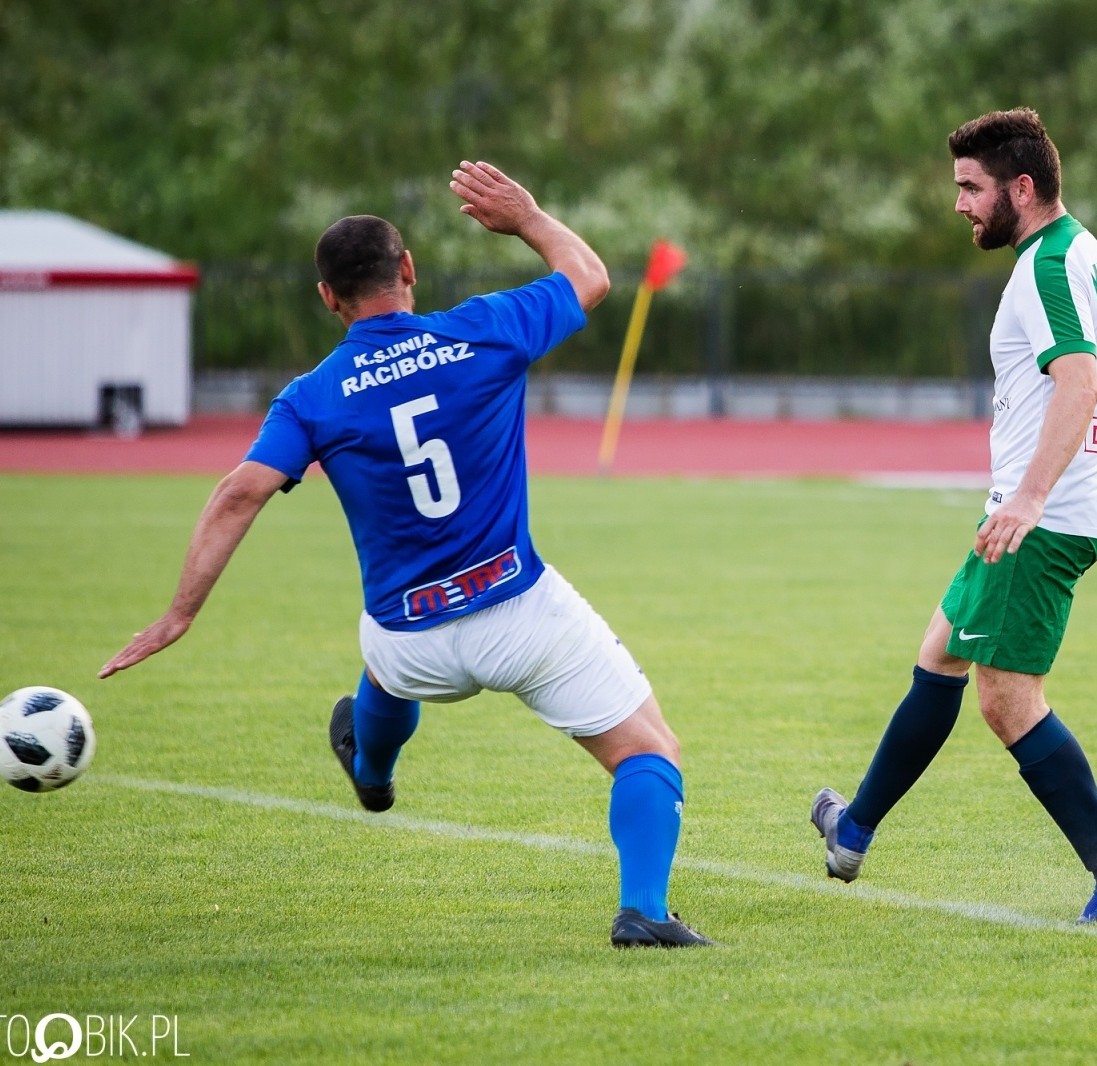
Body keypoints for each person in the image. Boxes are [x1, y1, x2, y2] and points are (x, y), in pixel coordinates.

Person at [100, 161, 714, 948]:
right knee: (650, 751)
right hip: (519, 613)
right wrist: (524, 216)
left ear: (328, 298)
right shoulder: (481, 331)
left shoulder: (312, 395)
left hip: (408, 641)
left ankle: (371, 766)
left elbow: (238, 493)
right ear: (409, 271)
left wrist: (178, 615)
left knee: (385, 666)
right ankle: (644, 914)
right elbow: (588, 276)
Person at [810, 109, 1097, 923]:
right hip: (1050, 511)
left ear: (1020, 187)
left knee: (1007, 700)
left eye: (971, 189)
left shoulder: (1047, 268)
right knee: (940, 654)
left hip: (1043, 519)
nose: (960, 205)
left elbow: (1083, 383)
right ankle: (855, 829)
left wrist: (1031, 495)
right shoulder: (1095, 261)